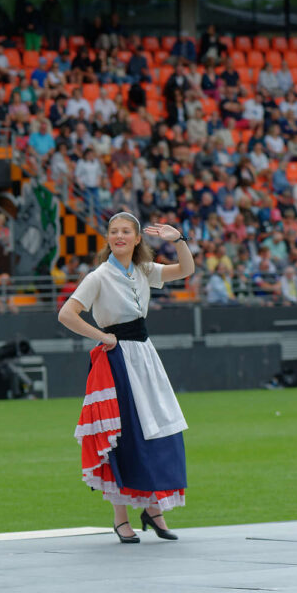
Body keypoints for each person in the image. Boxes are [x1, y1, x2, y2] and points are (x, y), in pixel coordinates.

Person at [58, 213, 193, 544]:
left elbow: (186, 270)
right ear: (107, 239)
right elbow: (66, 314)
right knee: (124, 435)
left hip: (145, 356)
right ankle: (121, 518)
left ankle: (153, 508)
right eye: (113, 232)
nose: (119, 236)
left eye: (125, 232)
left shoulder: (145, 270)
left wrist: (178, 241)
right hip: (117, 360)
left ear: (136, 239)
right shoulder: (99, 276)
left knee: (160, 430)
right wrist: (102, 336)